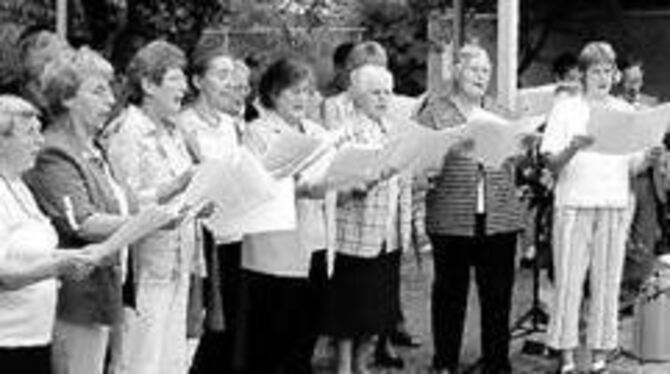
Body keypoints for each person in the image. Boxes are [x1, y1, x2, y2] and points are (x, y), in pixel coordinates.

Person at [541, 41, 662, 374]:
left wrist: (647, 157)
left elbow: (631, 164)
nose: (603, 77)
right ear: (582, 74)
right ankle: (565, 355)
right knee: (568, 282)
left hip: (612, 204)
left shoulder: (625, 110)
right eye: (596, 70)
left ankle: (599, 354)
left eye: (608, 70)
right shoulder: (566, 108)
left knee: (607, 283)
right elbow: (551, 164)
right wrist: (573, 148)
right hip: (575, 204)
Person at [415, 44, 523, 374]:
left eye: (486, 70)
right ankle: (445, 361)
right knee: (449, 294)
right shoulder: (434, 113)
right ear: (457, 71)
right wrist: (447, 150)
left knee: (497, 295)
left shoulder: (502, 113)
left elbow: (513, 163)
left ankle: (497, 363)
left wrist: (522, 144)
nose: (482, 76)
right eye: (475, 69)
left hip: (498, 216)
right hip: (451, 216)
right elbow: (420, 162)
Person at [21, 47, 131, 374]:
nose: (110, 100)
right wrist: (148, 223)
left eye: (110, 90)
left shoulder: (93, 148)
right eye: (98, 91)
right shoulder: (54, 150)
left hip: (106, 291)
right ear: (67, 98)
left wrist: (176, 192)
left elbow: (124, 203)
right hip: (77, 300)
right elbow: (81, 222)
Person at [104, 40, 197, 374]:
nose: (185, 87)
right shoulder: (127, 132)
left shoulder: (173, 131)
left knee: (172, 360)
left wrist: (201, 200)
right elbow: (121, 202)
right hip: (143, 268)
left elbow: (185, 190)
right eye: (175, 78)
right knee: (140, 360)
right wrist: (176, 187)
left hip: (177, 260)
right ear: (147, 84)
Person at [236, 57, 332, 374]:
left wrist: (354, 180)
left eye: (307, 91)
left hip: (314, 243)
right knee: (269, 339)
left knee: (305, 334)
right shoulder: (257, 132)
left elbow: (330, 179)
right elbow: (256, 187)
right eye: (293, 91)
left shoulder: (318, 131)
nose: (301, 99)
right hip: (273, 250)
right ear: (274, 93)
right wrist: (302, 188)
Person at [326, 64, 413, 374]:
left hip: (389, 232)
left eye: (387, 92)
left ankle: (363, 362)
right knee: (350, 305)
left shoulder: (395, 130)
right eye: (375, 92)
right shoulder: (344, 132)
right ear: (358, 96)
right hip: (355, 232)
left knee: (379, 305)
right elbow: (335, 186)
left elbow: (405, 180)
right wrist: (363, 183)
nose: (383, 98)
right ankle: (345, 365)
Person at [0, 94, 96, 374]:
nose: (40, 142)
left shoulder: (19, 186)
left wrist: (76, 256)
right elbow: (4, 274)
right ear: (2, 141)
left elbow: (34, 253)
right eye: (29, 133)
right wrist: (58, 265)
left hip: (35, 336)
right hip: (6, 341)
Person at [178, 36, 249, 374]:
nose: (230, 83)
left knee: (231, 322)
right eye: (220, 74)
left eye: (231, 74)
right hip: (203, 239)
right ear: (196, 80)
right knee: (203, 323)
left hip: (234, 232)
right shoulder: (184, 125)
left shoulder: (231, 125)